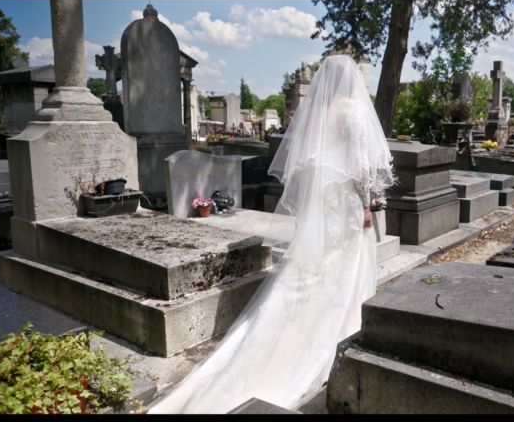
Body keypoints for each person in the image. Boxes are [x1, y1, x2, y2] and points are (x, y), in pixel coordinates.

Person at [148, 55, 394, 413]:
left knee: (312, 270)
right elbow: (358, 163)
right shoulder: (353, 110)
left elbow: (310, 163)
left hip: (323, 205)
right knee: (342, 268)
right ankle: (337, 333)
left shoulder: (319, 111)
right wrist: (368, 204)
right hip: (344, 204)